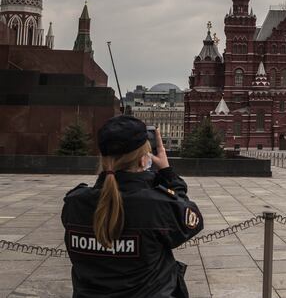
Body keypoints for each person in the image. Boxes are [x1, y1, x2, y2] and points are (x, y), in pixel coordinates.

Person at [62, 115, 203, 297]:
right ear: (144, 160)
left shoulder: (75, 203)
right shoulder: (158, 206)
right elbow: (191, 223)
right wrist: (168, 174)